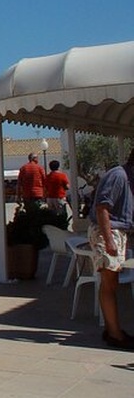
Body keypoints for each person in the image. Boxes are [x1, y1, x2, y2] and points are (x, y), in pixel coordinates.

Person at [88, 148, 134, 349]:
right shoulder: (119, 176)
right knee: (109, 282)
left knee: (111, 282)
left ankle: (112, 329)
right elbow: (102, 207)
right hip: (108, 232)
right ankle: (115, 334)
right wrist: (109, 240)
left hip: (117, 232)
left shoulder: (128, 178)